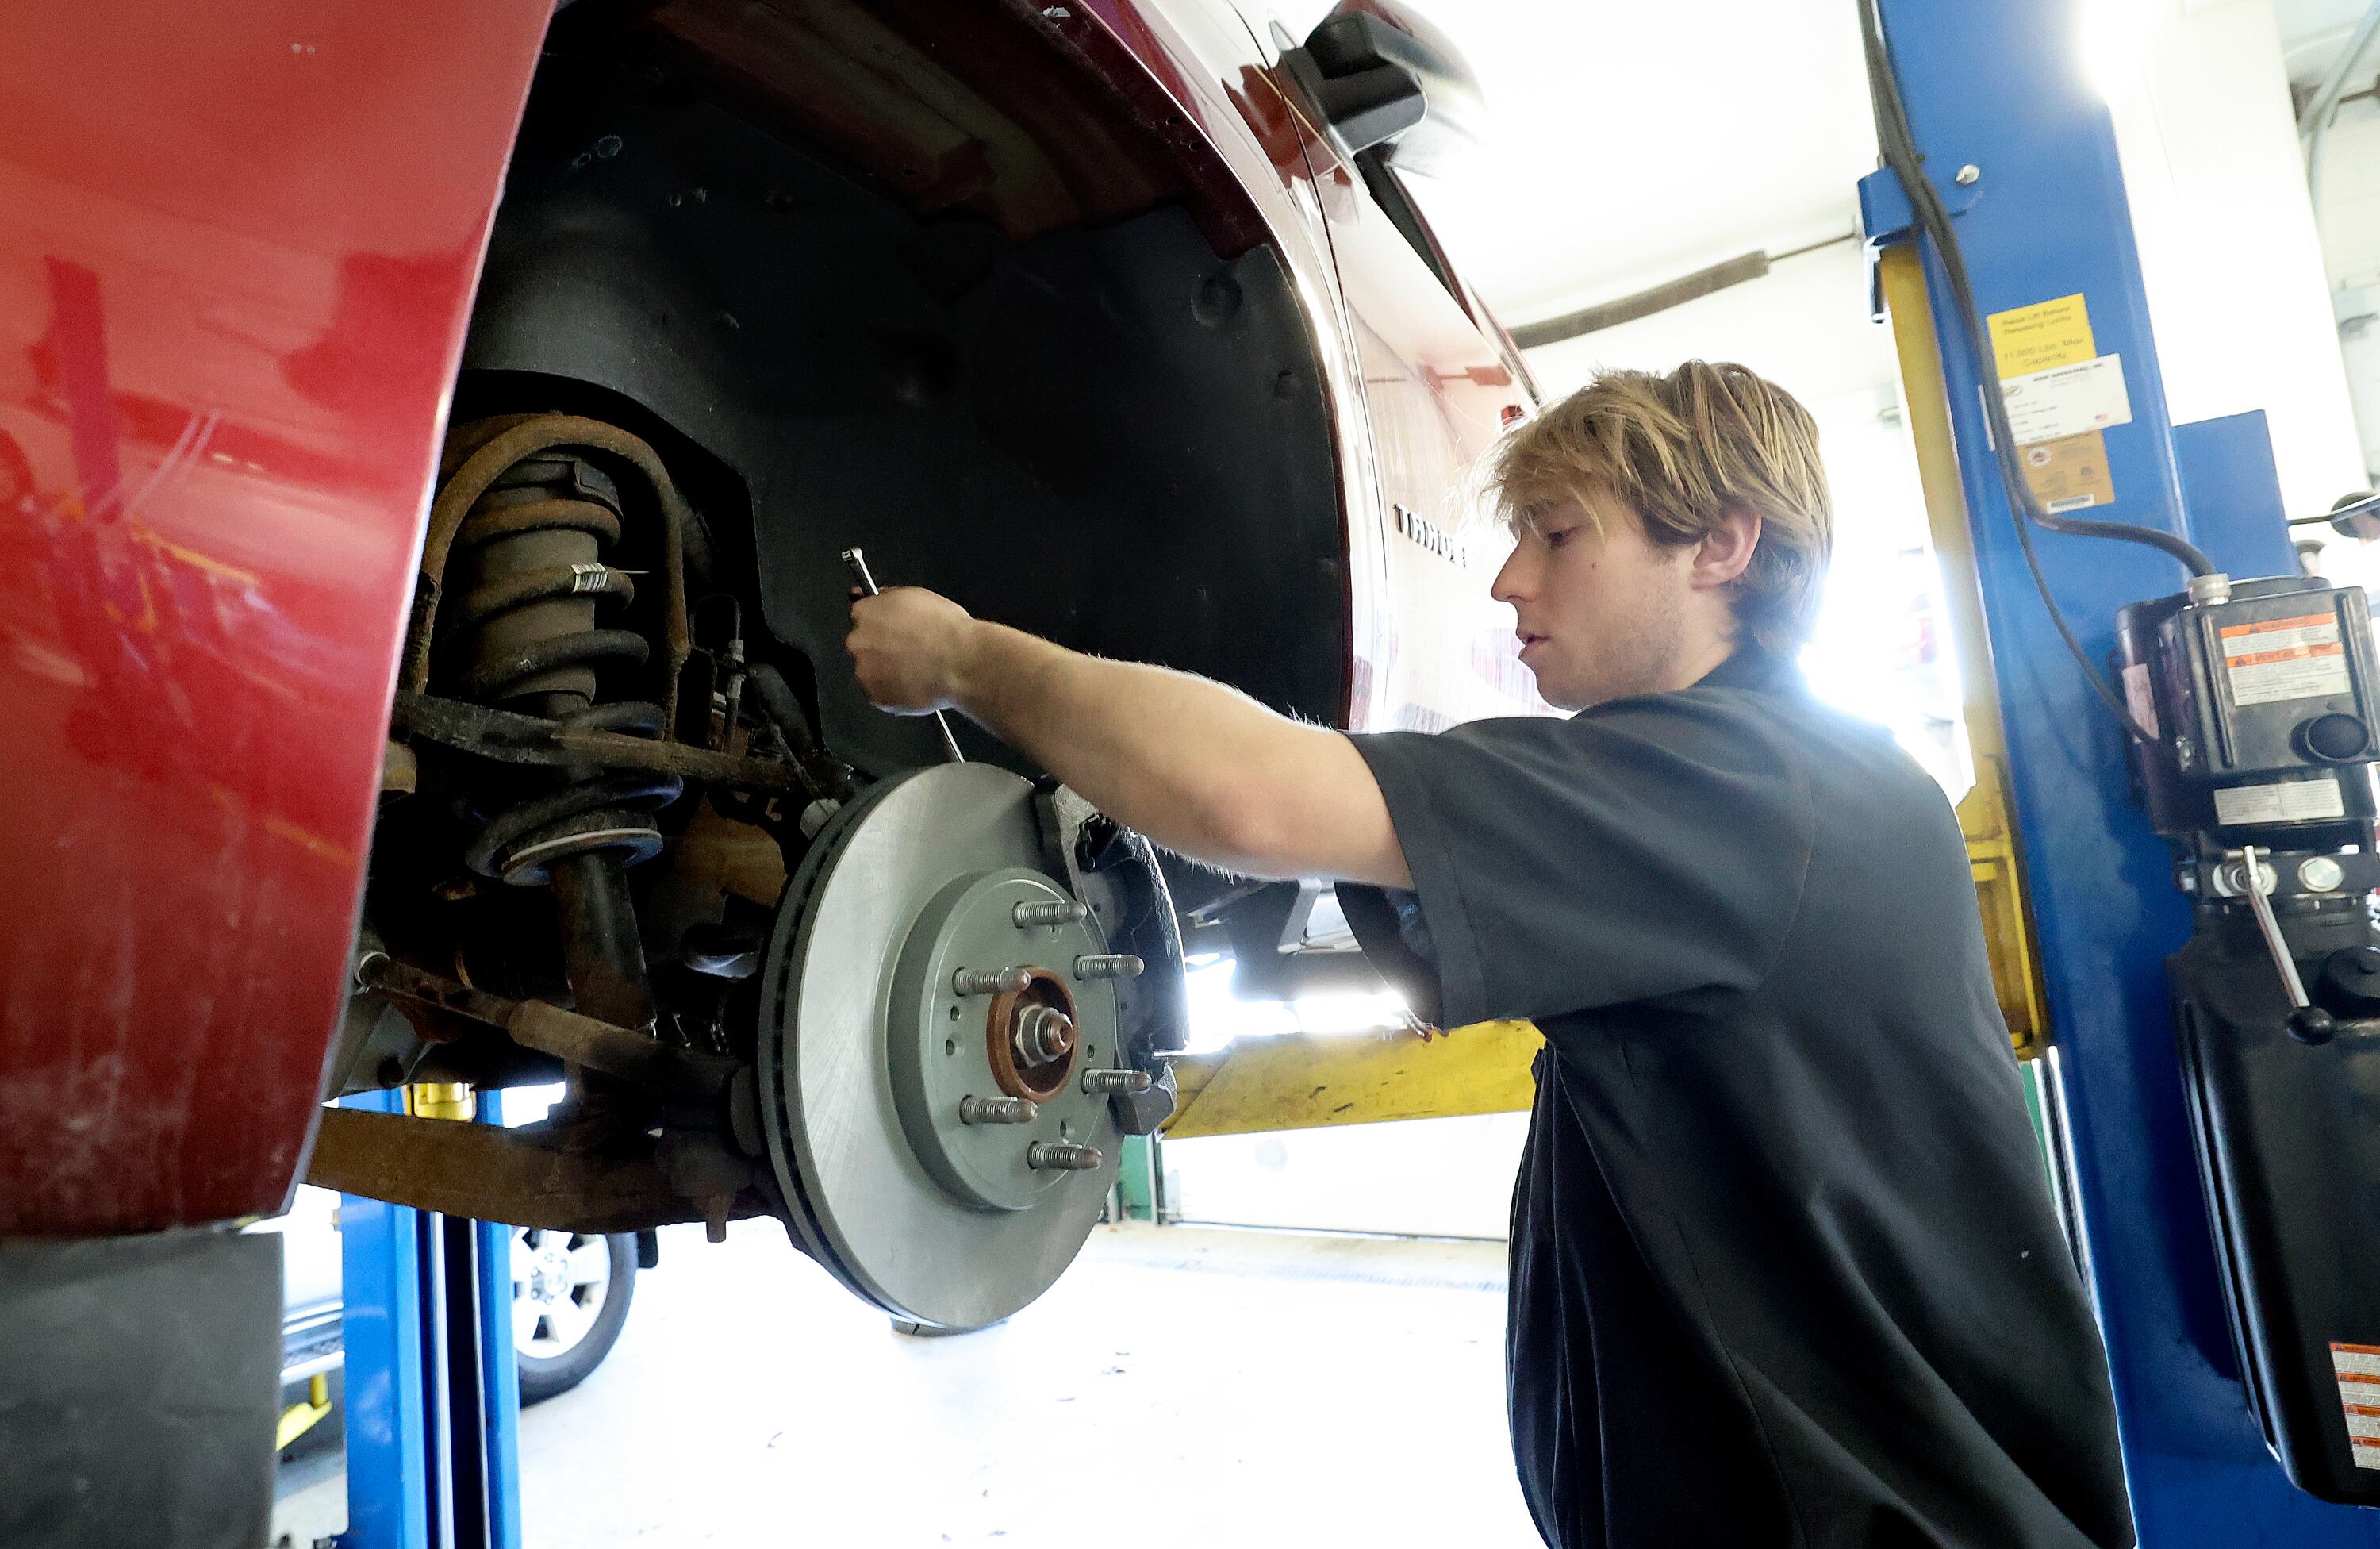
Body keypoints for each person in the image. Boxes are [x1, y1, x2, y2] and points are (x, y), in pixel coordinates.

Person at [846, 360, 2134, 1548]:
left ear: (1724, 545)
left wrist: (966, 657)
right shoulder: (1791, 780)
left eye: (1560, 534)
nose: (1513, 581)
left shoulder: (1744, 786)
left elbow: (1246, 799)